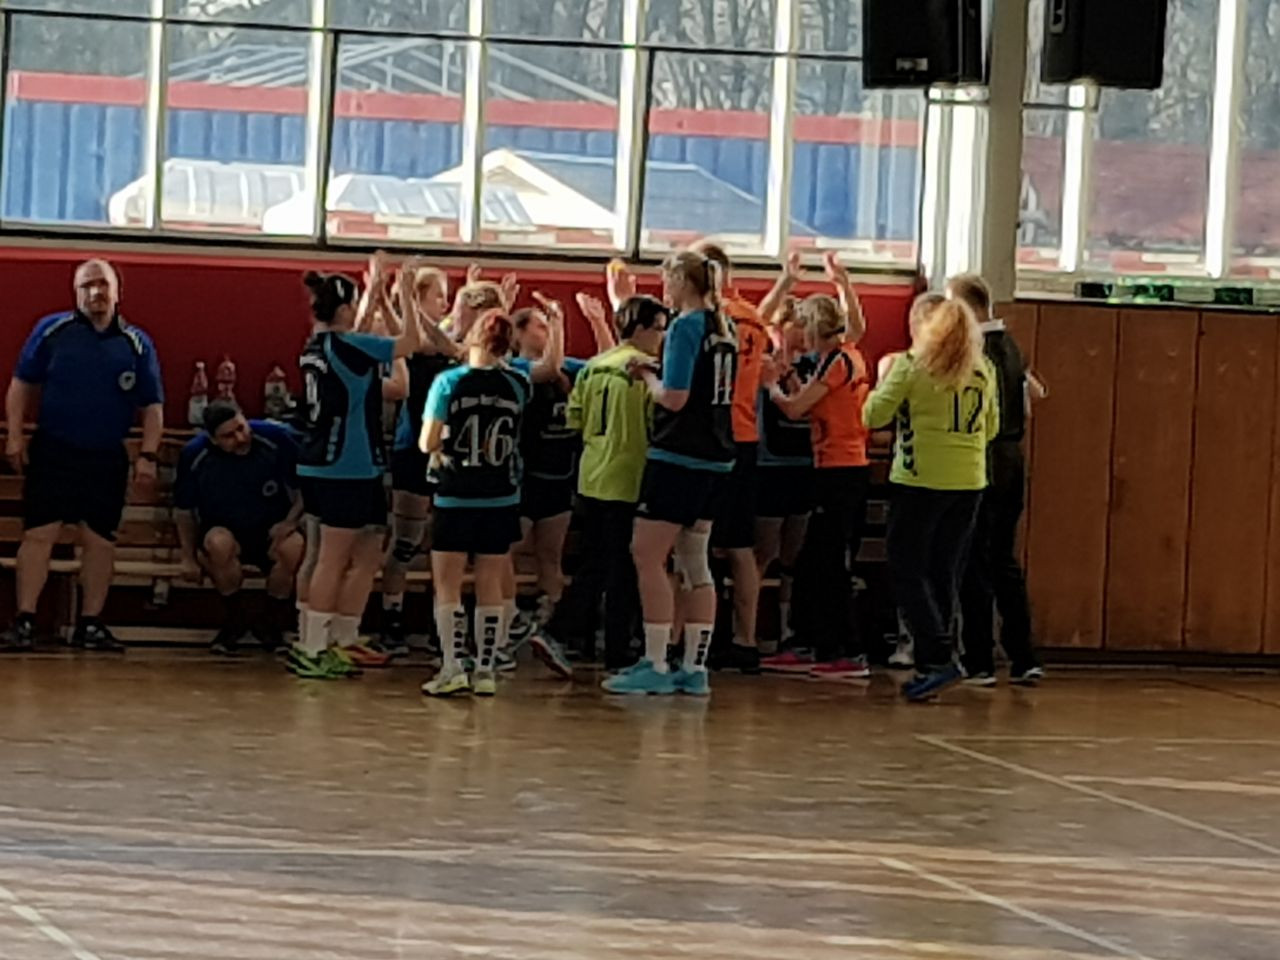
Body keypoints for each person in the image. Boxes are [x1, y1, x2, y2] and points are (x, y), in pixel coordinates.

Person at [2, 259, 163, 653]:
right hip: (54, 450)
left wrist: (148, 455)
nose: (95, 292)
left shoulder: (136, 343)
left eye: (102, 285)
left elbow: (153, 406)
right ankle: (24, 620)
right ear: (76, 293)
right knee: (39, 534)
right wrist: (15, 436)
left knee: (100, 540)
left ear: (117, 291)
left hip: (105, 455)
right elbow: (21, 384)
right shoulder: (52, 331)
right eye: (87, 286)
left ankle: (90, 624)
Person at [603, 251, 737, 697]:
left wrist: (646, 376)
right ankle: (694, 666)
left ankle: (655, 660)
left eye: (667, 279)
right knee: (696, 561)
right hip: (717, 455)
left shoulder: (685, 326)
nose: (664, 289)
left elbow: (675, 397)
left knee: (646, 554)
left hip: (679, 455)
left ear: (682, 281)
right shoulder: (726, 327)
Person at [289, 261, 421, 680]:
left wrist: (374, 291)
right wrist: (405, 294)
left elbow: (355, 338)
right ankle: (313, 647)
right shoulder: (351, 346)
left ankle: (341, 639)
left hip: (326, 460)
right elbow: (411, 342)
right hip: (345, 463)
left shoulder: (317, 345)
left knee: (366, 549)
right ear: (345, 309)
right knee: (332, 557)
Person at [863, 295, 1000, 702]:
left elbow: (873, 416)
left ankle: (936, 656)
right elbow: (991, 427)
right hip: (969, 480)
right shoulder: (983, 367)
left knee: (906, 568)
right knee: (943, 571)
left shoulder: (912, 365)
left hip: (920, 478)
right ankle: (936, 662)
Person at [532, 294, 669, 671]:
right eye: (658, 329)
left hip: (591, 476)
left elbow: (574, 418)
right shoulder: (645, 372)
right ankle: (606, 646)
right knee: (622, 567)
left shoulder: (594, 367)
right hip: (628, 476)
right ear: (640, 329)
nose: (662, 337)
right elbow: (656, 423)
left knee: (595, 560)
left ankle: (582, 639)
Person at [761, 253, 872, 680]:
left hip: (842, 469)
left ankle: (846, 650)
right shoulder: (842, 355)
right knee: (810, 561)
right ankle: (809, 641)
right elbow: (811, 399)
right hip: (835, 465)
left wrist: (772, 386)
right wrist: (843, 283)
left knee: (828, 563)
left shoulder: (838, 361)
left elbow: (794, 409)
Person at [420, 310, 530, 698]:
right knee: (490, 583)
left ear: (473, 338)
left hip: (456, 492)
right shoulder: (518, 384)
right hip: (501, 493)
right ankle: (486, 668)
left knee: (447, 584)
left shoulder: (448, 382)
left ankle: (452, 665)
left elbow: (427, 442)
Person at [701, 243, 793, 674]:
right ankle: (746, 640)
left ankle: (700, 636)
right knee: (740, 546)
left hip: (713, 436)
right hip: (746, 437)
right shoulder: (752, 319)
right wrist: (786, 282)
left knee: (698, 543)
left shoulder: (709, 321)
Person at [950, 274, 1044, 687]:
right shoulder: (1013, 349)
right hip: (1012, 459)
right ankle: (1024, 656)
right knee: (1003, 559)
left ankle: (979, 659)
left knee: (975, 558)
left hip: (984, 456)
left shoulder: (975, 351)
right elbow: (1033, 398)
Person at [174, 401, 305, 655]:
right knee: (218, 544)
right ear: (213, 439)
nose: (240, 438)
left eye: (241, 428)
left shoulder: (274, 438)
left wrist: (290, 522)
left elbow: (306, 488)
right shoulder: (195, 454)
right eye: (229, 436)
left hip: (271, 529)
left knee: (294, 547)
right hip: (223, 530)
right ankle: (235, 620)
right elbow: (184, 510)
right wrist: (187, 556)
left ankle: (271, 622)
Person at [380, 259, 457, 657]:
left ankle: (435, 622)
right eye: (438, 296)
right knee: (405, 541)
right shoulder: (408, 339)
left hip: (447, 453)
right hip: (412, 447)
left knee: (440, 543)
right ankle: (390, 619)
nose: (445, 303)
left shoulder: (447, 338)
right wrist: (403, 298)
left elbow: (452, 345)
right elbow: (418, 341)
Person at [752, 300, 815, 658]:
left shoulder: (813, 365)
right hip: (770, 465)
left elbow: (807, 405)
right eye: (797, 325)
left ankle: (787, 628)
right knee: (764, 552)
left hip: (803, 465)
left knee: (794, 555)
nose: (803, 333)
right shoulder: (764, 363)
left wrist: (791, 374)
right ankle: (751, 628)